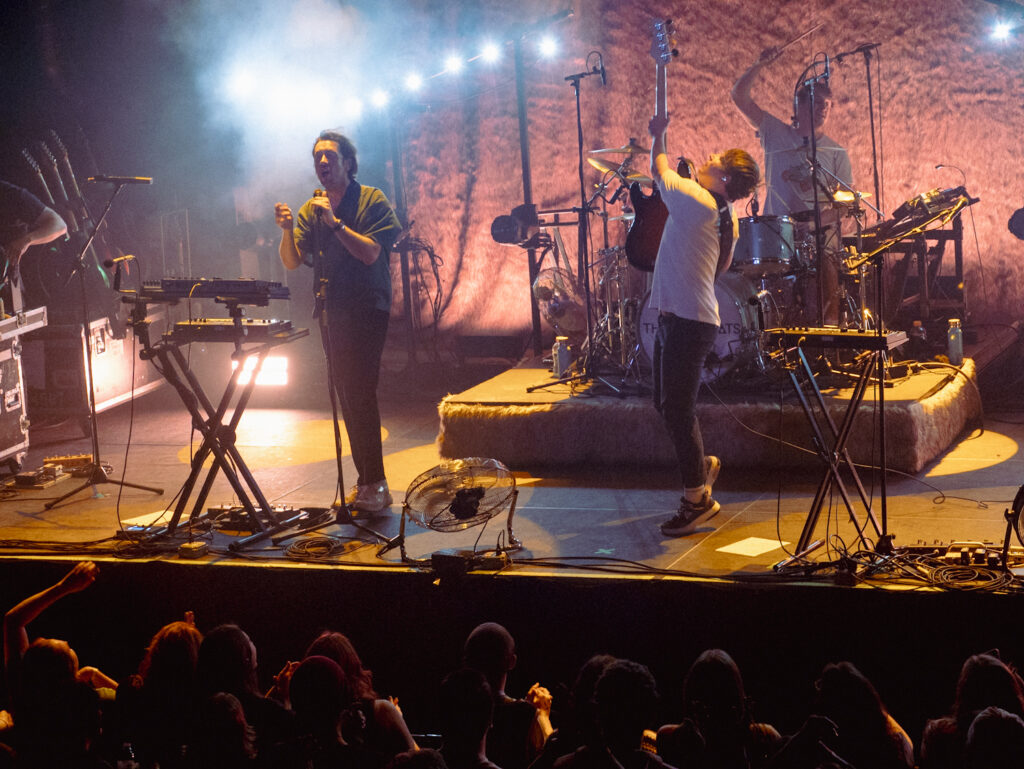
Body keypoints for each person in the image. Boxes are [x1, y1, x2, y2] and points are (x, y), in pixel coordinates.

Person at [646, 109, 760, 537]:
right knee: (667, 405)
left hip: (688, 322)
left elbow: (659, 170)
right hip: (683, 318)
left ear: (724, 178)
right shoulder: (724, 214)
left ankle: (697, 501)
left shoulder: (697, 200)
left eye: (716, 159)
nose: (708, 157)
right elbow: (720, 267)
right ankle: (700, 466)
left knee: (676, 410)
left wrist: (658, 134)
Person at [275, 131, 402, 513]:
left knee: (360, 391)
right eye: (317, 157)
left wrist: (334, 224)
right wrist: (286, 231)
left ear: (348, 162)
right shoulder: (311, 209)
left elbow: (371, 253)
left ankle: (375, 483)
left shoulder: (372, 200)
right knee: (347, 394)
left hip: (367, 306)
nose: (322, 162)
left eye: (329, 156)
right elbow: (293, 261)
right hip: (332, 311)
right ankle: (368, 484)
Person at [731, 49, 853, 325]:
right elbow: (739, 96)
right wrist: (759, 64)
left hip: (819, 241)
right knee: (776, 309)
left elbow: (845, 205)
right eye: (817, 103)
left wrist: (811, 226)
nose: (823, 110)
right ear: (800, 106)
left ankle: (825, 338)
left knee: (822, 306)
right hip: (777, 240)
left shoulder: (836, 153)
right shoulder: (774, 132)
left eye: (827, 105)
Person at [0, 179, 68, 306]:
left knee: (15, 310)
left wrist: (26, 241)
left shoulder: (12, 195)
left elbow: (58, 224)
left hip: (8, 285)